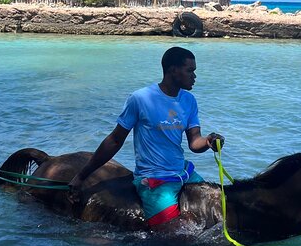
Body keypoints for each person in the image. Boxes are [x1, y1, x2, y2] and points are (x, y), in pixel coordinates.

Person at [68, 46, 224, 227]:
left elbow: (194, 142)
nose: (194, 76)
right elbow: (115, 140)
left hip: (184, 173)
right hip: (154, 179)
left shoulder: (189, 100)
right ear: (173, 70)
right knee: (174, 237)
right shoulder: (140, 99)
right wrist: (81, 176)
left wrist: (208, 141)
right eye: (190, 70)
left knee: (219, 212)